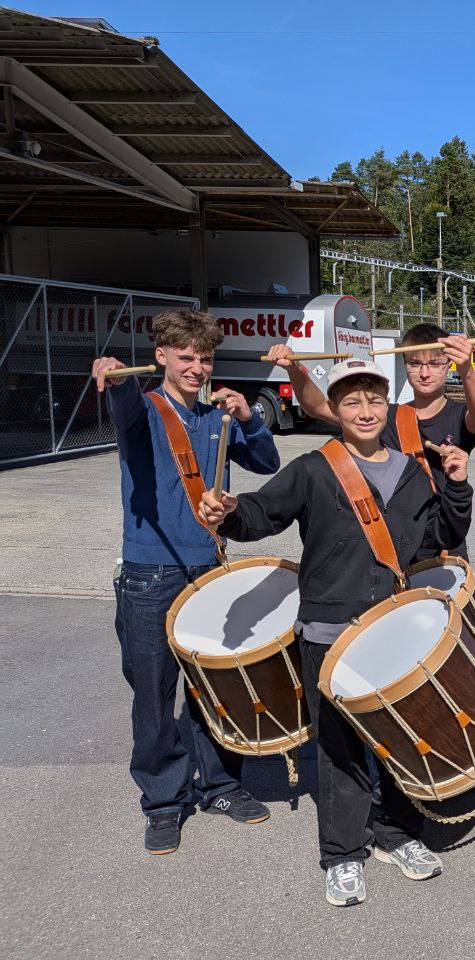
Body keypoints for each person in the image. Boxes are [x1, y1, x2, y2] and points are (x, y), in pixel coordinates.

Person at [199, 359, 474, 907]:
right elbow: (262, 514)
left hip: (392, 628)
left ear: (387, 405)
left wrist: (458, 486)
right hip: (328, 630)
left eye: (374, 399)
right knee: (339, 746)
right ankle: (343, 853)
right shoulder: (314, 469)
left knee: (399, 737)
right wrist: (227, 511)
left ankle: (395, 834)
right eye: (352, 401)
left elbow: (440, 535)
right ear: (335, 410)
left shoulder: (414, 472)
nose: (366, 411)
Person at [91, 309, 281, 856]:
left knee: (217, 686)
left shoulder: (218, 417)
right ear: (161, 358)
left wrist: (247, 415)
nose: (197, 368)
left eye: (205, 359)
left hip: (208, 565)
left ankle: (220, 784)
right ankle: (164, 802)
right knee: (154, 693)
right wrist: (111, 373)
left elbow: (265, 460)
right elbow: (122, 407)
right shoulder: (145, 408)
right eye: (186, 358)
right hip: (152, 572)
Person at [268, 322, 475, 560]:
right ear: (404, 365)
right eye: (415, 363)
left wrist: (467, 369)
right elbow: (318, 406)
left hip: (442, 538)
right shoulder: (385, 414)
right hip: (395, 539)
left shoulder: (457, 416)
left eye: (435, 364)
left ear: (449, 366)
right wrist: (294, 369)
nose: (424, 373)